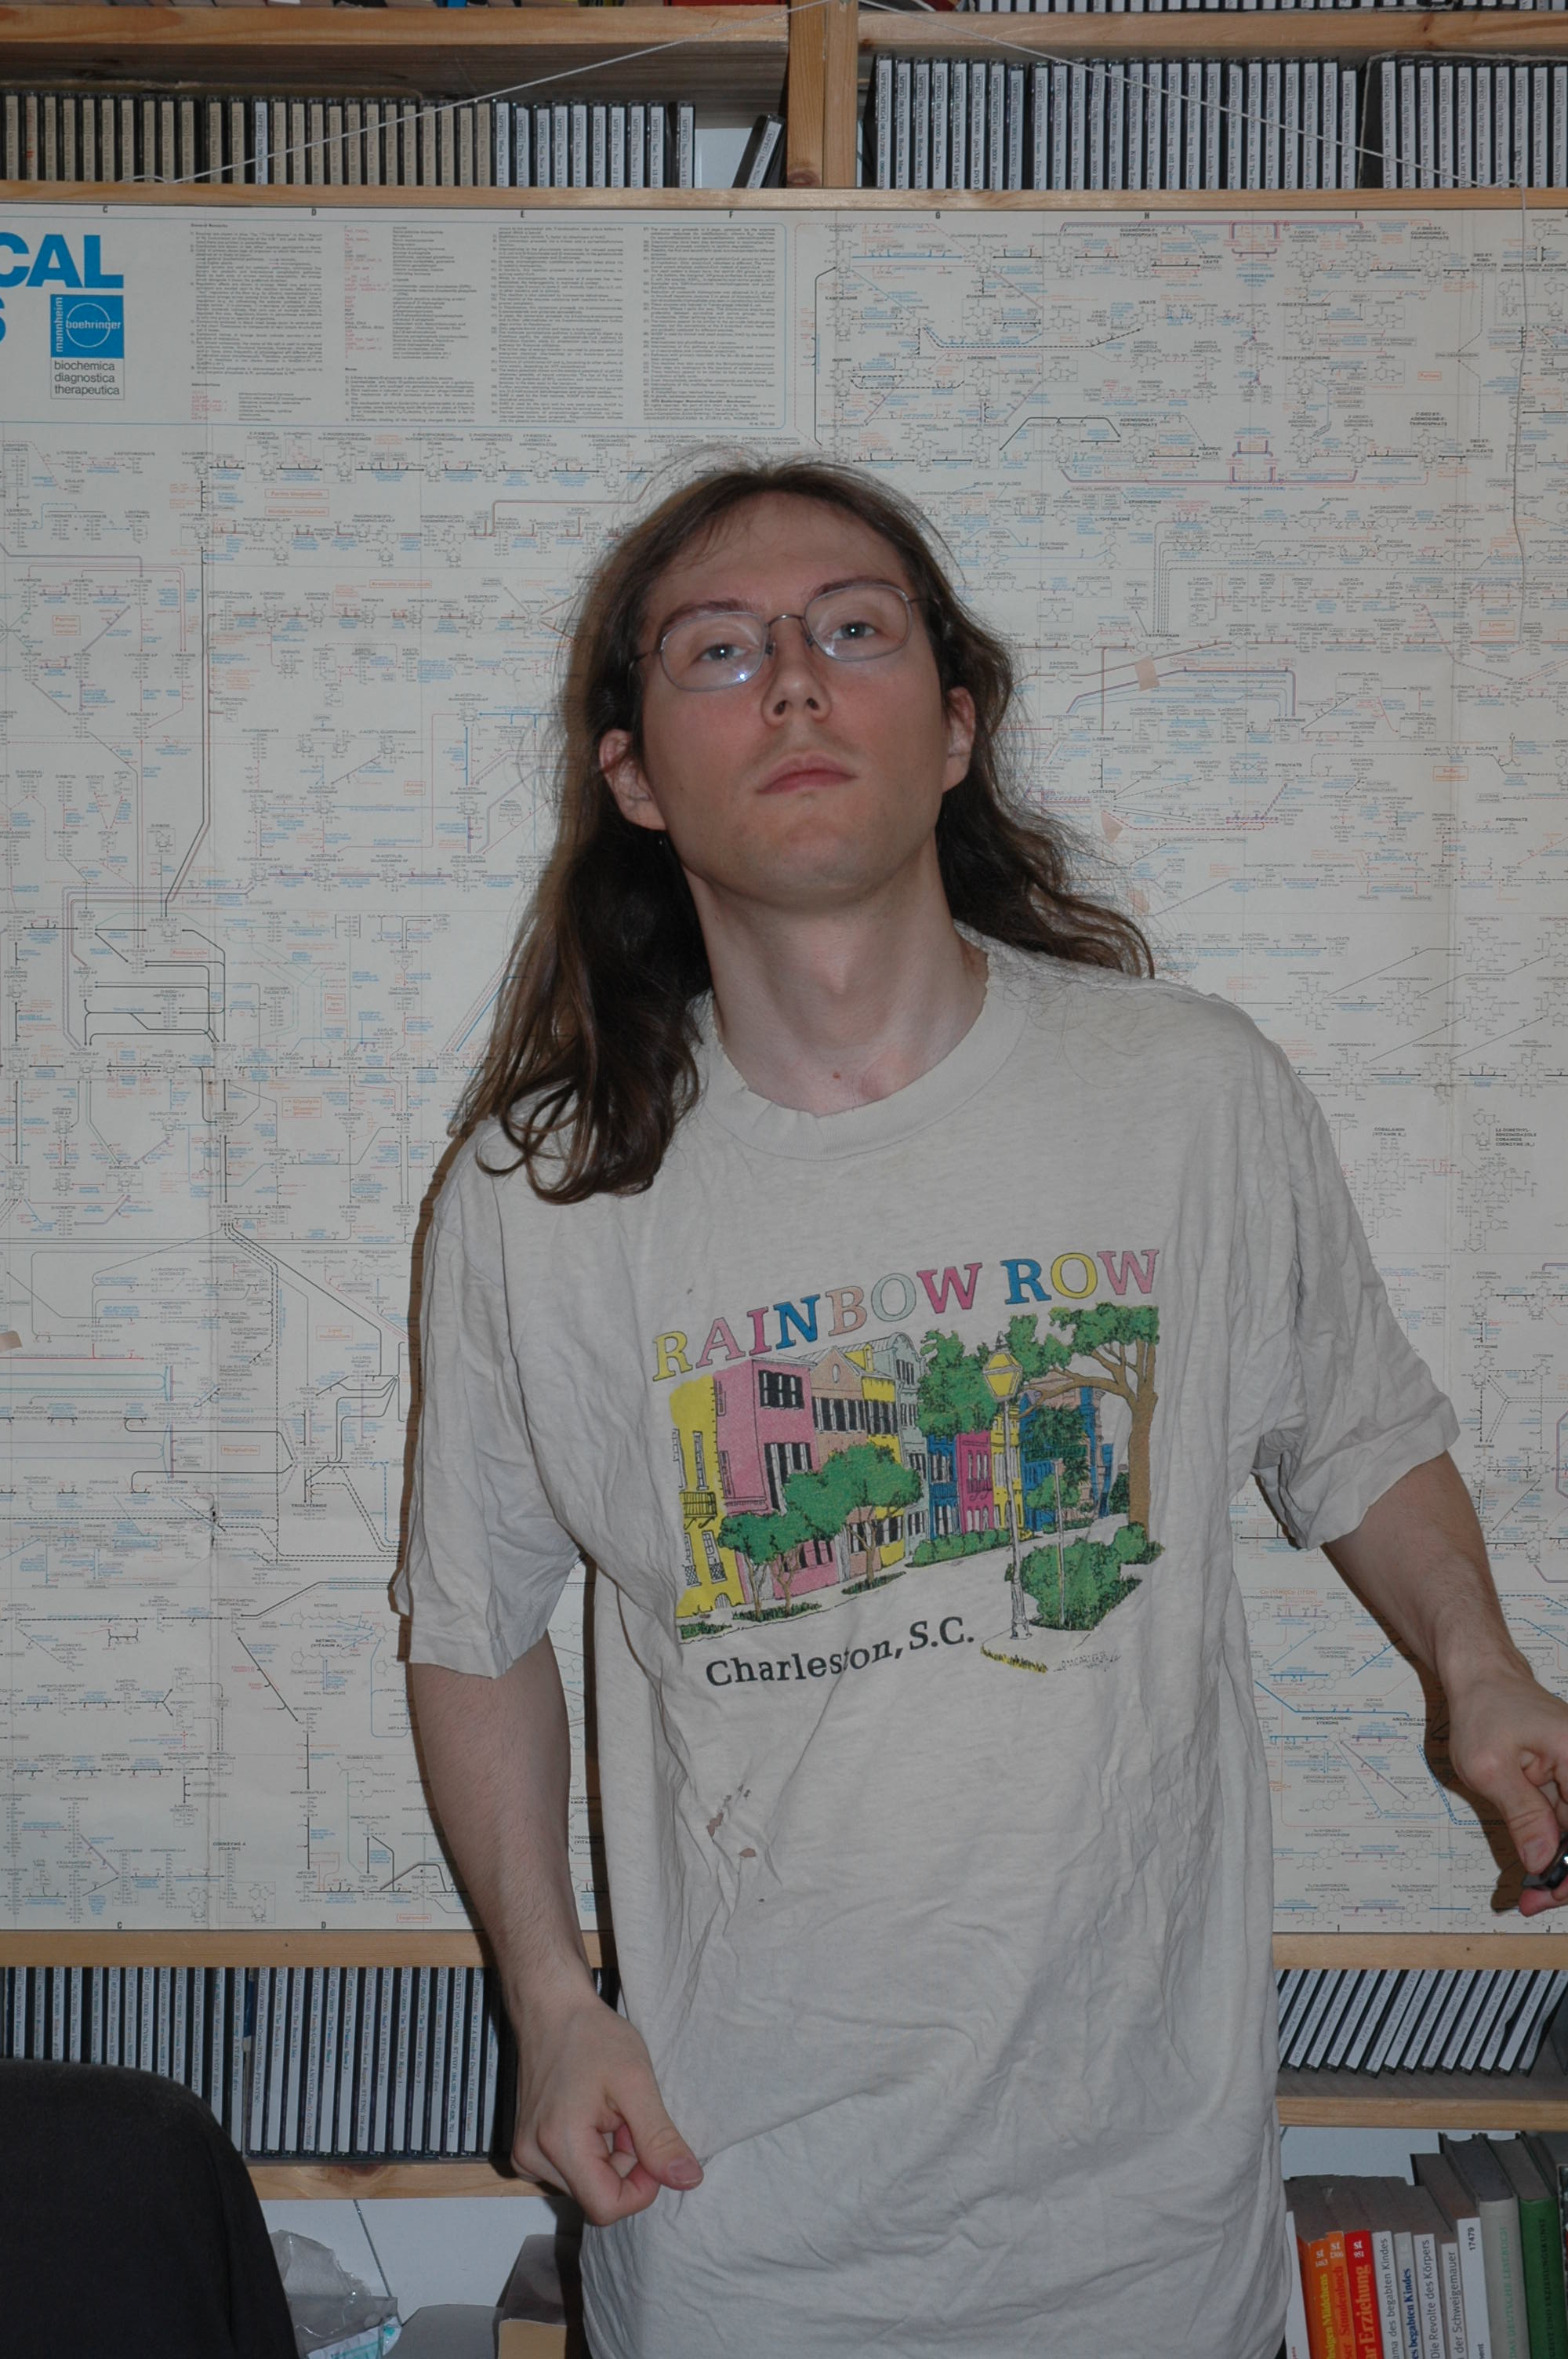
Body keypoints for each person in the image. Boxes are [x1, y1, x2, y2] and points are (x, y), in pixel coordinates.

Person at [396, 460, 1568, 2359]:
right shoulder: (542, 1195)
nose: (794, 679)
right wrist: (548, 2001)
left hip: (1150, 2238)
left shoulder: (1188, 1094)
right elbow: (474, 1624)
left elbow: (1355, 1433)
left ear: (953, 728)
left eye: (852, 629)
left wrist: (1480, 1668)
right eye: (719, 650)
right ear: (633, 775)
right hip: (733, 2233)